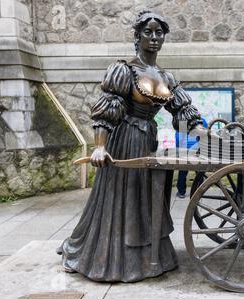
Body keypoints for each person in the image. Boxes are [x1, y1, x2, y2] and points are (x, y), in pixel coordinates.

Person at [56, 10, 206, 282]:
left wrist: (204, 133)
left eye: (159, 32)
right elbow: (107, 111)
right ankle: (108, 259)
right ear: (137, 36)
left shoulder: (166, 77)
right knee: (120, 197)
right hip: (123, 141)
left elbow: (182, 112)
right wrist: (100, 147)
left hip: (147, 138)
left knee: (146, 197)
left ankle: (152, 257)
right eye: (148, 32)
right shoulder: (123, 70)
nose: (154, 37)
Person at [175, 118, 208, 198]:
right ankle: (199, 191)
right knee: (199, 172)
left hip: (185, 149)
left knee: (182, 171)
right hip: (198, 149)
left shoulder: (183, 122)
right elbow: (206, 136)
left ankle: (181, 192)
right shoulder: (202, 121)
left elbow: (179, 139)